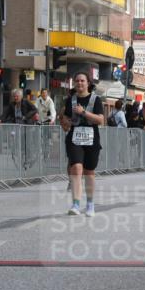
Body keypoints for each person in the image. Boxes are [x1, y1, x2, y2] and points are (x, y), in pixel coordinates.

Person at [60, 71, 104, 216]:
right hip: (75, 139)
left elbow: (100, 120)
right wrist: (64, 121)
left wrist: (83, 112)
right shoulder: (70, 100)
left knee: (89, 171)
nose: (79, 83)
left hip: (91, 139)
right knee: (76, 168)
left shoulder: (96, 100)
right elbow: (65, 122)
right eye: (77, 80)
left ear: (88, 83)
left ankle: (90, 205)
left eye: (82, 81)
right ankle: (76, 204)